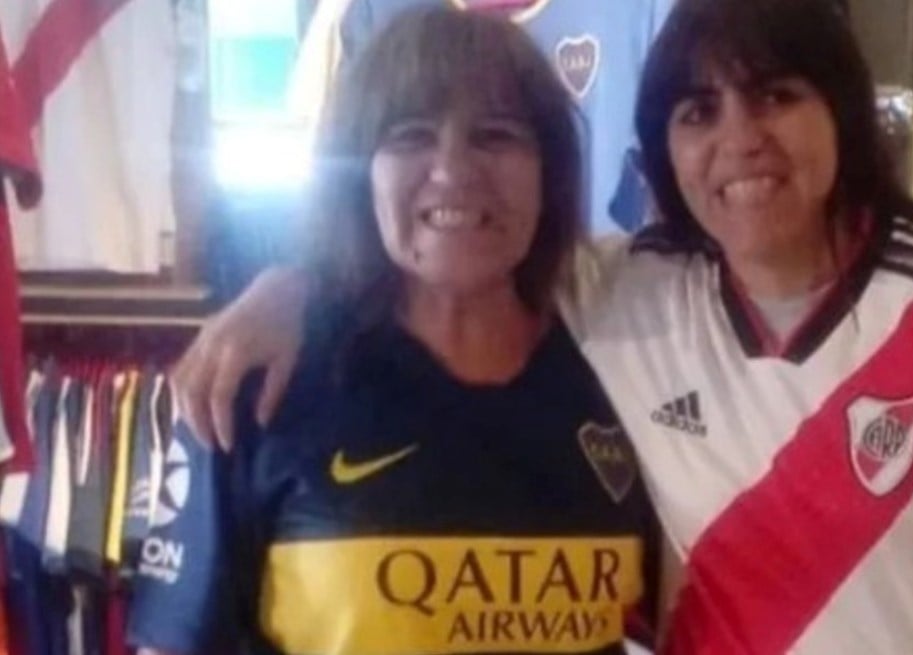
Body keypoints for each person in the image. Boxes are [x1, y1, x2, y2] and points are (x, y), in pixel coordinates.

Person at [173, 0, 913, 653]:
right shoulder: (625, 286)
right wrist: (290, 288)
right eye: (697, 111)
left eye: (776, 96)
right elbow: (457, 236)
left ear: (843, 112)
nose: (739, 140)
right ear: (662, 147)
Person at [128, 8, 659, 655]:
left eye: (495, 136)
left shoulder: (624, 375)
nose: (453, 170)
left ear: (550, 173)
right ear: (359, 174)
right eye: (411, 137)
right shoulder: (255, 383)